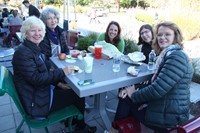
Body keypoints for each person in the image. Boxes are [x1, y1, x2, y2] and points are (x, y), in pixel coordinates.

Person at [12, 16, 96, 132]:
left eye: (40, 30)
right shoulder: (23, 53)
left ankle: (71, 121)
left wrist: (58, 84)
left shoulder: (32, 48)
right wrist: (62, 71)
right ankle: (80, 127)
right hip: (36, 103)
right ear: (25, 33)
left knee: (69, 88)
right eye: (33, 30)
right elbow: (36, 78)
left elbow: (45, 71)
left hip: (37, 93)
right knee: (78, 94)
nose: (37, 34)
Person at [106, 21, 194, 133]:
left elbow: (157, 89)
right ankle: (121, 129)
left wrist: (133, 94)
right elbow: (158, 84)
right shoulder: (168, 54)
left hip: (170, 117)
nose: (162, 38)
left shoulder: (176, 57)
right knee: (127, 96)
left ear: (175, 36)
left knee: (127, 100)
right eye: (160, 35)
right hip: (165, 105)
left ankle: (115, 130)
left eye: (167, 34)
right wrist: (133, 89)